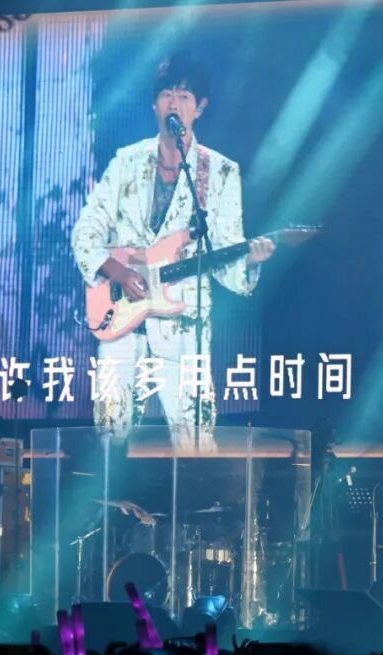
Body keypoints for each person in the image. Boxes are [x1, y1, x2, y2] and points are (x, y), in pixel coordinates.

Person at [71, 51, 275, 449]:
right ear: (154, 104)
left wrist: (248, 260)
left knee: (194, 437)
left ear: (200, 107)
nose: (174, 103)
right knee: (110, 430)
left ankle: (198, 492)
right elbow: (85, 233)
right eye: (167, 94)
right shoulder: (126, 163)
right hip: (121, 321)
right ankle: (109, 490)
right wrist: (117, 270)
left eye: (184, 96)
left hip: (184, 328)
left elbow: (224, 255)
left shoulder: (220, 172)